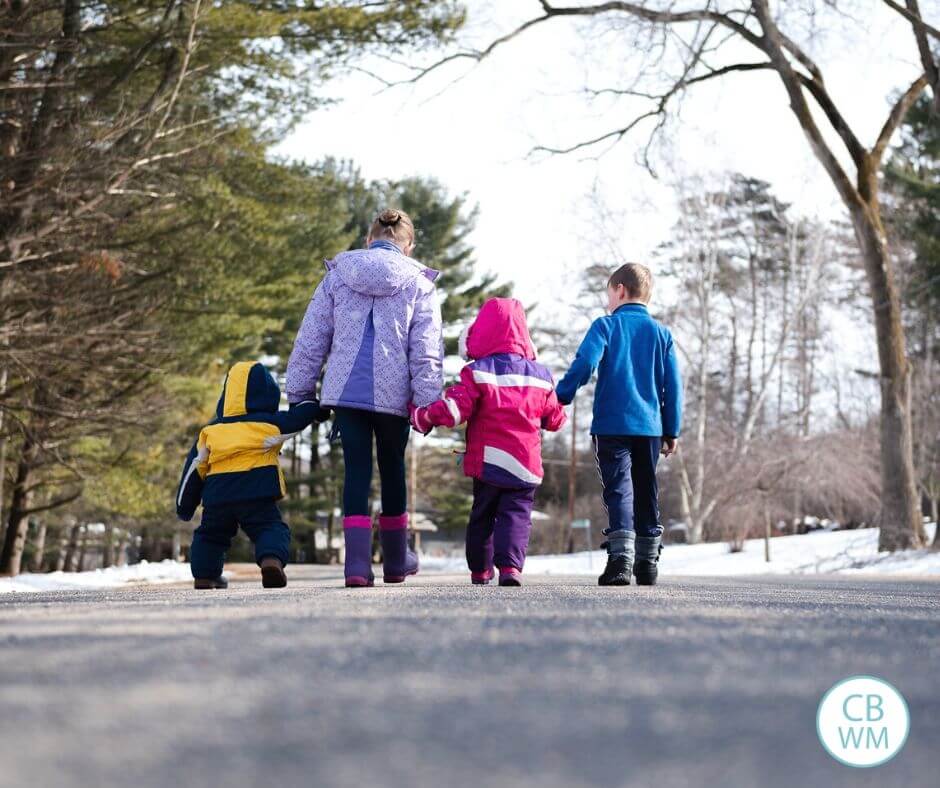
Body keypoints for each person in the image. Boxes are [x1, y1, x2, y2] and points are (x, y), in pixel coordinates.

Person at [285, 209, 444, 587]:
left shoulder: (338, 275)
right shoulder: (419, 283)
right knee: (392, 471)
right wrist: (426, 402)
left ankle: (356, 565)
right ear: (408, 246)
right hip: (395, 394)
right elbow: (425, 348)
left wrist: (301, 392)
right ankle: (394, 561)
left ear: (368, 240)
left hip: (346, 393)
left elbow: (312, 337)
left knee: (355, 473)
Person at [411, 298, 567, 586]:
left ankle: (481, 570)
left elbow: (455, 409)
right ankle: (510, 568)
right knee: (517, 515)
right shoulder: (542, 377)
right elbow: (555, 418)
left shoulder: (477, 371)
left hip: (489, 459)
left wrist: (423, 416)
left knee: (483, 514)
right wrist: (552, 417)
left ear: (479, 333)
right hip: (525, 462)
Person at [556, 263, 682, 586]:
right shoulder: (662, 334)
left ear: (620, 290)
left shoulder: (606, 326)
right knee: (646, 488)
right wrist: (672, 430)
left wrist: (563, 394)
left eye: (609, 294)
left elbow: (585, 362)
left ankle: (620, 561)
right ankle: (648, 561)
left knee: (619, 490)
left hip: (612, 425)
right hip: (651, 428)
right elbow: (673, 386)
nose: (608, 301)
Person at [176, 361, 329, 589]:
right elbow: (298, 418)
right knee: (270, 528)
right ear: (267, 394)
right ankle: (270, 561)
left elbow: (194, 468)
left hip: (218, 495)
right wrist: (317, 408)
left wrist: (184, 505)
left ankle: (205, 576)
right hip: (257, 492)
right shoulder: (268, 425)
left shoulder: (210, 431)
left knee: (210, 535)